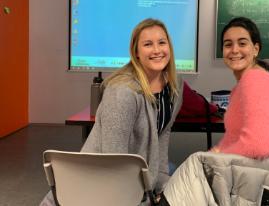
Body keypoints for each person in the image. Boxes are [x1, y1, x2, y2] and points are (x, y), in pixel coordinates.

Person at [40, 18, 184, 205]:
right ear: (136, 53)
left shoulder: (174, 85)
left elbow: (162, 135)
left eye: (162, 42)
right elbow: (112, 163)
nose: (157, 50)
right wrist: (145, 198)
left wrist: (162, 181)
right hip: (100, 180)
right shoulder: (122, 92)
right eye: (148, 44)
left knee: (178, 176)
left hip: (143, 167)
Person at [211, 16, 269, 166]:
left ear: (255, 49)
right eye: (228, 44)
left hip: (264, 180)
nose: (234, 50)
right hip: (261, 173)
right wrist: (217, 152)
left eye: (242, 43)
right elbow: (234, 137)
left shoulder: (255, 80)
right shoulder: (249, 82)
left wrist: (216, 159)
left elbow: (258, 145)